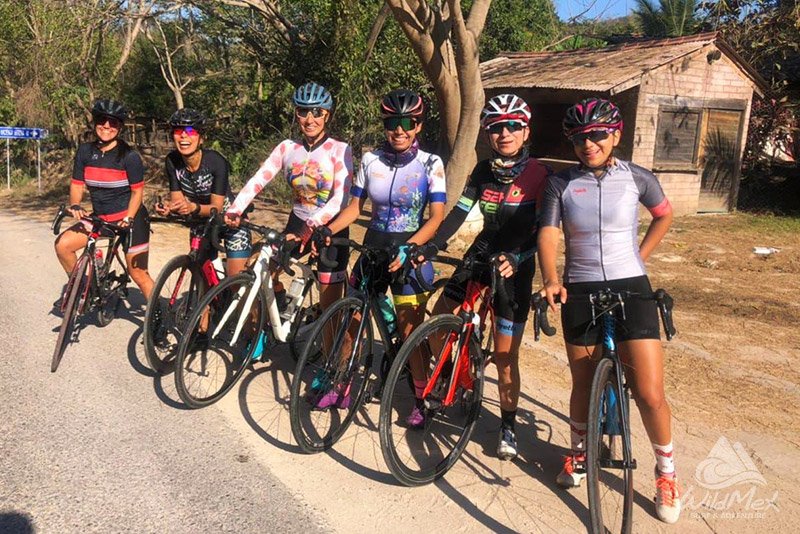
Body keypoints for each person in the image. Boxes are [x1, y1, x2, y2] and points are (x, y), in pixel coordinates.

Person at [537, 97, 679, 523]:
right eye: (580, 137)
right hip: (579, 288)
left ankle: (667, 473)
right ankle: (577, 453)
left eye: (597, 134)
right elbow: (548, 233)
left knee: (650, 393)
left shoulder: (637, 177)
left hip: (632, 286)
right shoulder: (560, 183)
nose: (589, 143)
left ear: (615, 134)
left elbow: (664, 215)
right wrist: (550, 279)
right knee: (582, 383)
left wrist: (640, 256)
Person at [416, 94, 551, 459]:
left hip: (516, 265)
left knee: (507, 359)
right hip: (480, 253)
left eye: (512, 126)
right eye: (496, 127)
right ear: (488, 134)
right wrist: (433, 244)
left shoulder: (541, 175)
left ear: (525, 131)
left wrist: (520, 256)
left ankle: (507, 425)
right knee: (441, 315)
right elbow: (460, 213)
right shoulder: (483, 171)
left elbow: (545, 232)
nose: (504, 133)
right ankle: (450, 372)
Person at [320, 89, 446, 412]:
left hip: (408, 255)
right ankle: (343, 384)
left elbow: (436, 219)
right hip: (373, 251)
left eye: (407, 122)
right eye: (392, 122)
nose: (399, 129)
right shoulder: (370, 160)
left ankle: (421, 398)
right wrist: (327, 230)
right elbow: (354, 209)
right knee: (351, 320)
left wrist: (412, 247)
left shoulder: (431, 164)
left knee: (409, 333)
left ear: (418, 125)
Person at [225, 82, 352, 312]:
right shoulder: (287, 148)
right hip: (297, 224)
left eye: (317, 112)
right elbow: (259, 179)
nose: (309, 119)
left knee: (329, 312)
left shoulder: (339, 149)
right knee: (261, 270)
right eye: (303, 111)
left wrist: (312, 226)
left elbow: (340, 199)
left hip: (329, 231)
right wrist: (236, 208)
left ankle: (331, 344)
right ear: (296, 114)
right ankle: (278, 307)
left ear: (327, 115)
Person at [55, 98, 154, 300]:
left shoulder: (129, 156)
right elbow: (77, 184)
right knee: (62, 246)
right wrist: (75, 204)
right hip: (102, 217)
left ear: (120, 127)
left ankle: (158, 318)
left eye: (113, 122)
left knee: (138, 273)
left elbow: (137, 193)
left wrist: (128, 217)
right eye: (102, 120)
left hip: (131, 218)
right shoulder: (85, 151)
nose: (106, 126)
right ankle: (84, 289)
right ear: (95, 123)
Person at [153, 108, 251, 277]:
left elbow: (217, 208)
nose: (184, 136)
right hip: (202, 223)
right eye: (178, 131)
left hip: (230, 221)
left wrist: (192, 208)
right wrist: (170, 208)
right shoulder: (172, 161)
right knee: (202, 283)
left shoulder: (216, 161)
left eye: (191, 131)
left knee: (237, 286)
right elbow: (178, 200)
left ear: (201, 138)